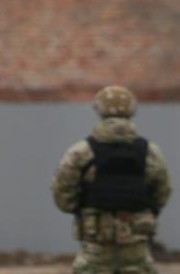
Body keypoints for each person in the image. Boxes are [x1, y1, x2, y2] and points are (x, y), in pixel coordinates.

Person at [51, 85, 172, 274]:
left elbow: (63, 193)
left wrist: (82, 209)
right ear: (132, 109)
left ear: (99, 109)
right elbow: (162, 193)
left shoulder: (81, 151)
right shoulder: (150, 152)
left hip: (96, 244)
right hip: (136, 244)